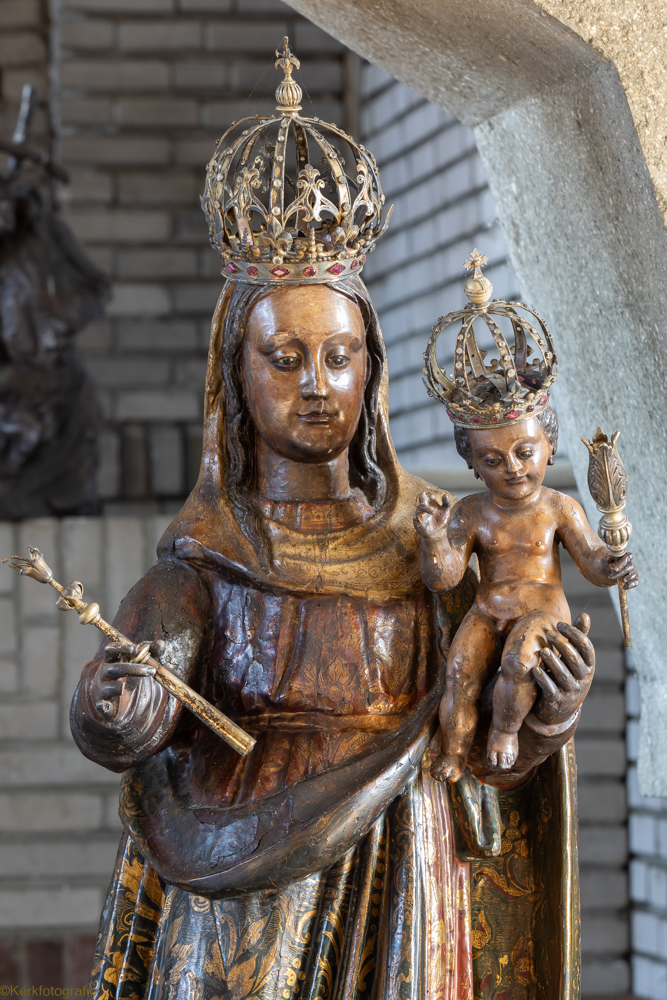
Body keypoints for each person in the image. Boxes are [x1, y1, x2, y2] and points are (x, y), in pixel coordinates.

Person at [70, 44, 595, 999]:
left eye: (339, 356)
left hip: (402, 883)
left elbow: (480, 749)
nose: (316, 384)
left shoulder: (432, 541)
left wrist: (547, 711)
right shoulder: (207, 560)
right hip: (242, 881)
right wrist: (120, 706)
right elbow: (140, 697)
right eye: (285, 358)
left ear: (372, 370)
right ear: (235, 373)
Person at [415, 406, 638, 782]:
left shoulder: (559, 508)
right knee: (459, 673)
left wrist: (611, 565)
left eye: (524, 452)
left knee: (519, 662)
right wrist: (434, 539)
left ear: (550, 447)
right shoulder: (472, 511)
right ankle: (454, 752)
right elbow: (444, 578)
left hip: (542, 613)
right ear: (472, 463)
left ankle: (505, 732)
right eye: (492, 459)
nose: (513, 468)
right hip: (488, 610)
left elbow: (591, 559)